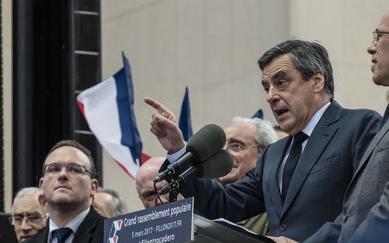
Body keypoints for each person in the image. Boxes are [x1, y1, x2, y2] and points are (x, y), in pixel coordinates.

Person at [145, 39, 381, 241]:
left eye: (281, 82)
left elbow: (366, 208)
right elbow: (222, 205)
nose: (270, 96)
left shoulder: (360, 125)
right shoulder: (274, 154)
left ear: (316, 81)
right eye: (266, 87)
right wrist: (178, 149)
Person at [278, 10, 389, 243]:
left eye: (379, 36)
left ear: (316, 82)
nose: (371, 47)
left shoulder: (361, 125)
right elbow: (357, 212)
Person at [25, 140, 105, 243]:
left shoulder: (114, 235)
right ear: (42, 185)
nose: (62, 175)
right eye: (54, 169)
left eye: (74, 169)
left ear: (93, 187)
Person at [219, 117, 277, 235]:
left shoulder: (274, 209)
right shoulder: (201, 201)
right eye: (220, 147)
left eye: (236, 145)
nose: (223, 152)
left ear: (264, 154)